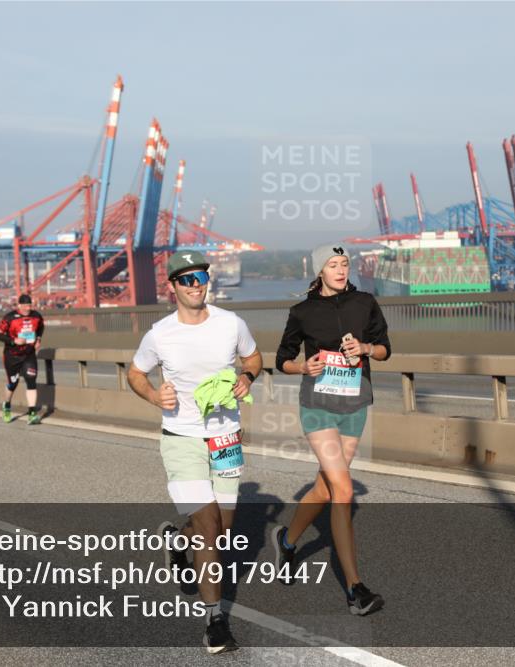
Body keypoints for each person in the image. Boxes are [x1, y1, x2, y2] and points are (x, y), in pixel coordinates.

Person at [127, 250, 262, 654]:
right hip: (181, 437)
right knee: (208, 529)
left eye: (200, 277)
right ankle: (215, 622)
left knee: (222, 531)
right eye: (186, 280)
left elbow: (253, 356)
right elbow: (135, 373)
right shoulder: (159, 334)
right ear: (172, 288)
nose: (195, 285)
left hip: (226, 438)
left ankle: (176, 540)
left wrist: (248, 376)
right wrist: (154, 394)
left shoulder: (230, 323)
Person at [272, 244, 391, 616]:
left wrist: (367, 348)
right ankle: (356, 589)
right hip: (318, 406)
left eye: (344, 264)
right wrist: (302, 368)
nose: (340, 270)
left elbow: (386, 349)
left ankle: (288, 542)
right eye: (333, 264)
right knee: (342, 488)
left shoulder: (365, 302)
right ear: (319, 270)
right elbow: (282, 360)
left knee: (325, 486)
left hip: (355, 405)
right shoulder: (302, 311)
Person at [0, 293, 45, 425]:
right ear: (19, 305)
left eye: (30, 305)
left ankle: (32, 414)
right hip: (12, 356)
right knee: (13, 384)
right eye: (25, 306)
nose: (28, 309)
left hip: (29, 354)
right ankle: (6, 405)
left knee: (31, 380)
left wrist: (38, 339)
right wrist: (13, 341)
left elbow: (40, 327)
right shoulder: (10, 318)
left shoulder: (36, 316)